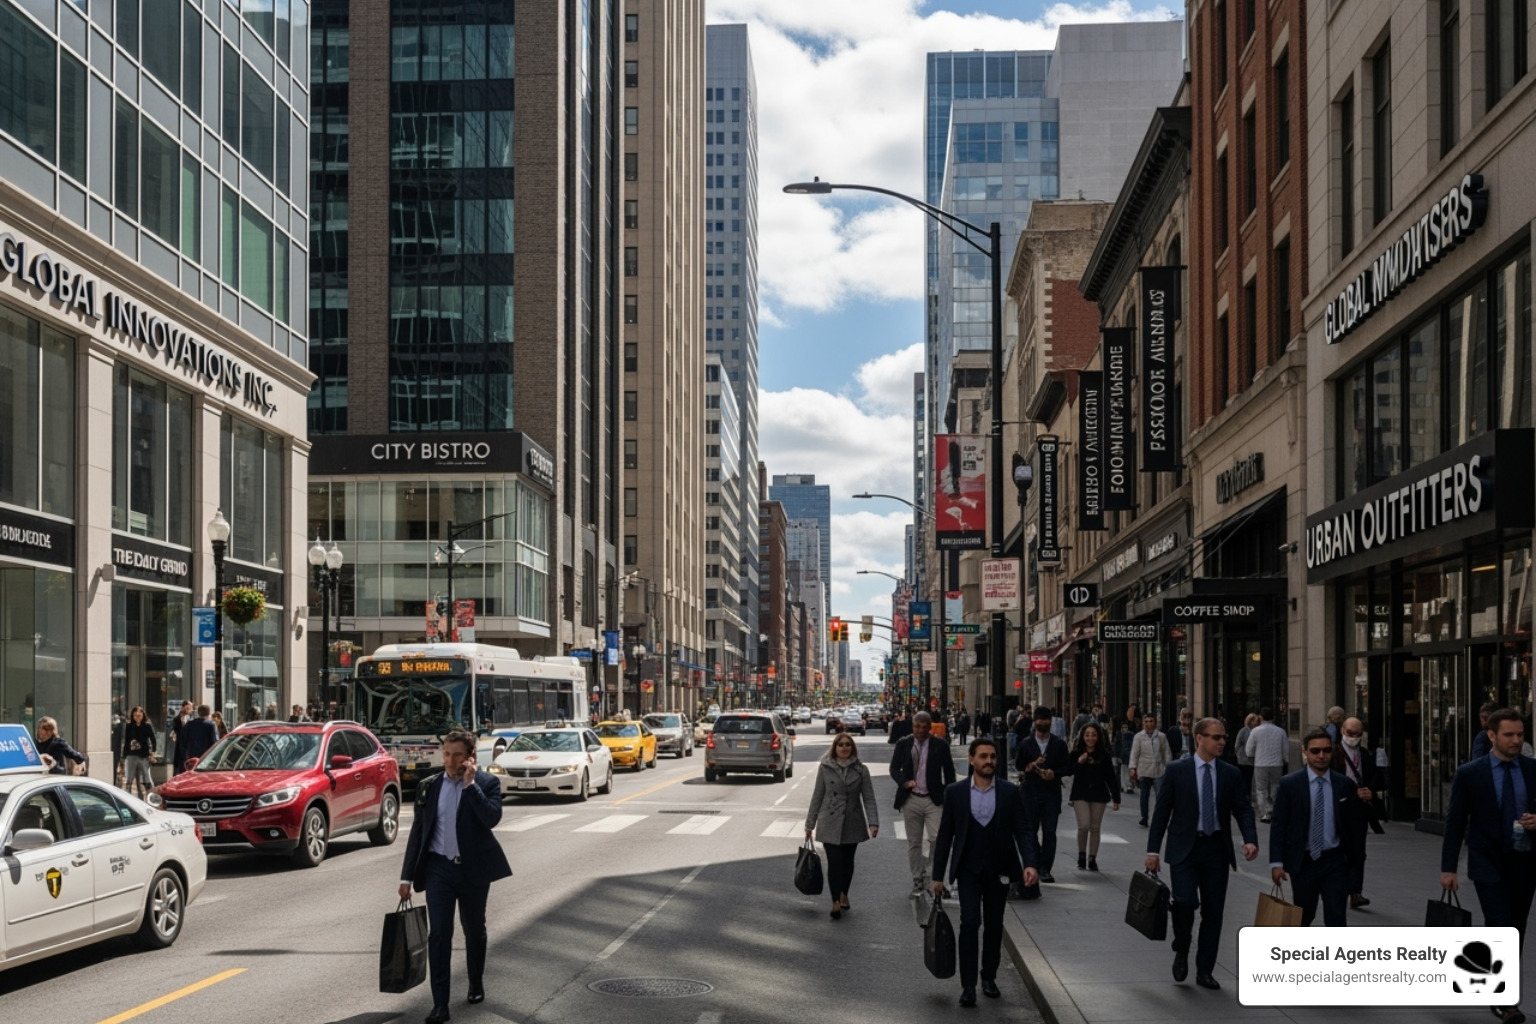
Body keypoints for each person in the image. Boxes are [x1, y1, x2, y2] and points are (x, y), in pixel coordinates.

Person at [398, 730, 510, 1024]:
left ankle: (475, 982)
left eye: (457, 755)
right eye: (446, 754)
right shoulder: (429, 786)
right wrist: (406, 878)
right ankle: (440, 1004)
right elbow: (418, 833)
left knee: (474, 930)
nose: (449, 761)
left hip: (473, 870)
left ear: (470, 756)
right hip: (439, 870)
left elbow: (492, 818)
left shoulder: (487, 783)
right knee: (439, 935)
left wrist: (471, 787)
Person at [1146, 717, 1259, 990]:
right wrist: (1152, 851)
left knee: (1214, 912)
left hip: (1216, 849)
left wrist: (1250, 839)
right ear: (1199, 738)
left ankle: (1205, 970)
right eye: (1216, 737)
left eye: (1224, 737)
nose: (1222, 742)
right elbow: (1161, 813)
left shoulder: (1230, 773)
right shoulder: (1177, 770)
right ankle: (1182, 945)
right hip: (1184, 848)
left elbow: (1243, 809)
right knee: (1184, 902)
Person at [1441, 708, 1536, 1024]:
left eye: (1520, 734)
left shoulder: (1532, 769)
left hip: (1524, 862)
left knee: (1516, 928)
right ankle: (1504, 1000)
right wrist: (1448, 868)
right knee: (1500, 925)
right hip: (1487, 862)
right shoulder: (1471, 773)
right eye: (1509, 735)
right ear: (1491, 735)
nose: (1516, 740)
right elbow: (1455, 822)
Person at [931, 737, 1039, 1008]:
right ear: (971, 759)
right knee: (969, 923)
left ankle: (988, 977)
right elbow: (945, 835)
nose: (989, 761)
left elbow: (1023, 829)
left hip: (998, 869)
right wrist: (937, 876)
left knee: (994, 925)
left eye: (992, 756)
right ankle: (968, 986)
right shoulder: (955, 792)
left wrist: (1030, 863)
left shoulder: (1009, 792)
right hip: (968, 870)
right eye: (983, 756)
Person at [1269, 728, 1363, 927]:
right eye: (1315, 751)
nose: (1321, 756)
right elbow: (1278, 825)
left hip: (1335, 860)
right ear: (1305, 751)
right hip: (1304, 862)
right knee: (1303, 916)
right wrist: (1276, 863)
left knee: (1336, 917)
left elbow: (1354, 827)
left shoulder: (1344, 784)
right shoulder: (1290, 784)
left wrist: (1354, 863)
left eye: (1327, 750)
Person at [805, 733, 879, 919]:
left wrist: (873, 822)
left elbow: (869, 798)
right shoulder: (825, 767)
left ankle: (844, 892)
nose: (844, 748)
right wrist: (809, 824)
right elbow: (817, 796)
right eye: (841, 745)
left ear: (852, 748)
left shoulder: (861, 770)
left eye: (847, 745)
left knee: (847, 862)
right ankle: (835, 901)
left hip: (853, 821)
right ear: (835, 748)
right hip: (830, 821)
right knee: (834, 862)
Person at [890, 711, 957, 897]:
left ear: (929, 727)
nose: (919, 730)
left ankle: (931, 874)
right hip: (911, 798)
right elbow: (894, 768)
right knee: (914, 842)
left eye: (923, 727)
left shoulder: (940, 745)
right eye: (916, 726)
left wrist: (948, 795)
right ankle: (917, 879)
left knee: (938, 839)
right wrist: (904, 782)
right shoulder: (904, 743)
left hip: (933, 799)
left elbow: (949, 772)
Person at [1015, 706, 1070, 895]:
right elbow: (1018, 764)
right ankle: (1035, 862)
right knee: (1030, 830)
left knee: (1049, 831)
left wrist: (1054, 773)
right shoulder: (1026, 743)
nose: (1043, 724)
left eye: (1046, 720)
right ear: (1035, 722)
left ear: (1050, 722)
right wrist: (1030, 765)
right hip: (1030, 792)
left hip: (1051, 793)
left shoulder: (1059, 744)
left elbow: (1067, 767)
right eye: (1040, 720)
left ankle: (1046, 867)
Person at [1331, 716, 1384, 909]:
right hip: (1338, 808)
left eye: (1358, 734)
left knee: (1358, 851)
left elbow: (1377, 777)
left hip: (1359, 810)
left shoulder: (1365, 754)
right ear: (1342, 731)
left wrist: (1370, 790)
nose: (1354, 737)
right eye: (1350, 733)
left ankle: (1355, 892)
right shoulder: (1333, 753)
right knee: (1338, 850)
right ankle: (1337, 888)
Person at [1064, 721, 1119, 870]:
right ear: (1082, 736)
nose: (1090, 738)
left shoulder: (1104, 755)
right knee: (1084, 825)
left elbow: (1110, 777)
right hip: (1080, 793)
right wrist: (1079, 762)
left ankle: (1092, 858)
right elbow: (1068, 771)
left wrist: (1116, 798)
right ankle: (1082, 854)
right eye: (1087, 735)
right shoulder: (1076, 753)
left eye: (1093, 735)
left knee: (1095, 828)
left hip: (1099, 794)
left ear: (1098, 737)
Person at [1245, 707, 1288, 823]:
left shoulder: (1255, 731)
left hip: (1260, 763)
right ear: (1273, 717)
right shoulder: (1280, 731)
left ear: (1261, 717)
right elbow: (1285, 750)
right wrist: (1284, 760)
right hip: (1277, 763)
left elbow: (1249, 750)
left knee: (1261, 789)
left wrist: (1253, 757)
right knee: (1275, 787)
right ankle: (1275, 810)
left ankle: (1265, 813)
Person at [1129, 714, 1172, 827]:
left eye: (1151, 721)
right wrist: (1133, 768)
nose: (1149, 724)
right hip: (1144, 770)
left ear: (1155, 723)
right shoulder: (1138, 737)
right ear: (1143, 724)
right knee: (1144, 796)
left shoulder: (1161, 736)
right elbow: (1134, 753)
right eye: (1146, 721)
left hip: (1159, 770)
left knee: (1160, 796)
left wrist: (1168, 768)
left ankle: (1160, 817)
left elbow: (1166, 752)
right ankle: (1144, 817)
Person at [121, 706, 157, 799]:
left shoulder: (147, 726)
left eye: (139, 715)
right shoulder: (129, 726)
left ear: (143, 715)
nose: (137, 717)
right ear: (132, 716)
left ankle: (151, 799)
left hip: (143, 755)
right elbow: (126, 741)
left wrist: (153, 752)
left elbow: (153, 739)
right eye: (135, 715)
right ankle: (127, 799)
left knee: (147, 778)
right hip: (131, 755)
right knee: (129, 779)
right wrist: (124, 756)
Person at [1234, 712, 1259, 806]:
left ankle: (1247, 797)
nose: (1256, 723)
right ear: (1250, 721)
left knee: (1249, 780)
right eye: (1254, 721)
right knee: (1244, 780)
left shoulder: (1256, 731)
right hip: (1243, 760)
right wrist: (1238, 754)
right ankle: (1244, 797)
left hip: (1251, 761)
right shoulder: (1244, 730)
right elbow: (1237, 744)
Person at [170, 700, 195, 773]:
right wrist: (183, 725)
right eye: (188, 708)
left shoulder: (192, 719)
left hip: (190, 747)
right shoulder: (177, 719)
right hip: (181, 746)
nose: (190, 710)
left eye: (191, 708)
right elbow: (178, 731)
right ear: (183, 708)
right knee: (180, 766)